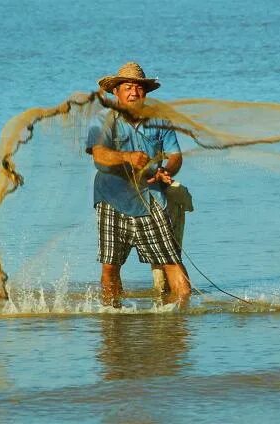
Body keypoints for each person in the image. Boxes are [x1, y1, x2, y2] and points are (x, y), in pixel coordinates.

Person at [86, 62, 191, 306]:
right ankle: (113, 315)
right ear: (116, 92)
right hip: (111, 198)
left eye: (139, 88)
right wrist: (127, 157)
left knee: (172, 260)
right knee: (110, 265)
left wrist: (166, 170)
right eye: (128, 87)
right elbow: (99, 155)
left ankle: (183, 316)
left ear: (146, 92)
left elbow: (175, 156)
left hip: (151, 198)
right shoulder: (103, 120)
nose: (134, 92)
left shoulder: (159, 120)